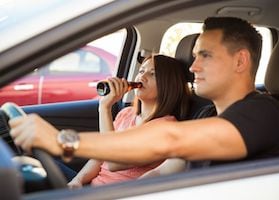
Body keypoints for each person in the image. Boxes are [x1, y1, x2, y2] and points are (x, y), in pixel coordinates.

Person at [9, 17, 279, 174]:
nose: (193, 67)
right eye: (194, 56)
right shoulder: (210, 117)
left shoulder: (264, 113)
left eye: (205, 56)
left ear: (240, 61)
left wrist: (62, 141)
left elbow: (169, 140)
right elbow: (167, 166)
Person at [58, 54, 190, 188]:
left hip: (115, 194)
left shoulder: (165, 128)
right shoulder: (126, 114)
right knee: (38, 162)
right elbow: (100, 155)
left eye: (153, 74)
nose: (142, 77)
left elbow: (114, 163)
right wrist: (78, 180)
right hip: (90, 187)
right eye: (141, 71)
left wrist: (104, 108)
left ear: (169, 85)